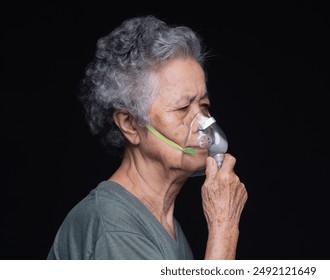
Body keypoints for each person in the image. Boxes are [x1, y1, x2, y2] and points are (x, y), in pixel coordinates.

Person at [47, 15, 248, 260]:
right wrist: (223, 228)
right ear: (130, 125)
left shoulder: (160, 224)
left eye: (204, 105)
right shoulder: (115, 228)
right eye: (183, 109)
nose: (204, 124)